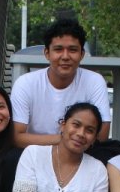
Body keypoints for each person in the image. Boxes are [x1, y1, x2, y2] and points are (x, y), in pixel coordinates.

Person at [11, 19, 112, 148]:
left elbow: (102, 135)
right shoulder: (25, 83)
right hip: (36, 156)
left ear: (82, 54)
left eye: (72, 50)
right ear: (47, 53)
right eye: (58, 49)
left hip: (80, 155)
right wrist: (66, 139)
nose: (65, 56)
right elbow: (17, 137)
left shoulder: (94, 81)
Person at [9, 102, 109, 192]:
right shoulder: (33, 154)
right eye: (76, 125)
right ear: (63, 125)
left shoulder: (98, 169)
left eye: (89, 130)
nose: (81, 133)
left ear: (94, 138)